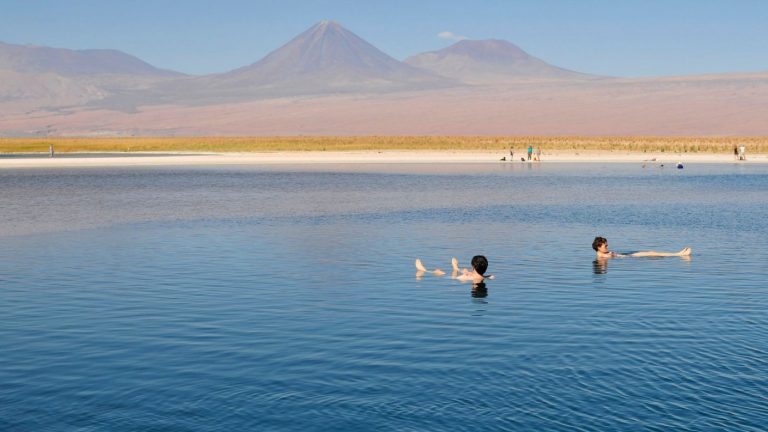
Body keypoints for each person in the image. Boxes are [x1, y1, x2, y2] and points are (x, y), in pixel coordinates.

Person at [415, 256, 494, 283]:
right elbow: (491, 276)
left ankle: (424, 270)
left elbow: (451, 278)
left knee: (441, 273)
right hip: (475, 276)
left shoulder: (464, 277)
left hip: (466, 277)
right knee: (466, 271)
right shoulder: (487, 277)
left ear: (473, 266)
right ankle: (456, 268)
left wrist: (439, 273)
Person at [592, 236, 691, 258]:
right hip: (631, 257)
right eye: (605, 245)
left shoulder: (603, 254)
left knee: (652, 252)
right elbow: (613, 257)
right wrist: (612, 255)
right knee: (653, 254)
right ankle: (678, 254)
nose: (607, 246)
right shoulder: (602, 256)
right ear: (599, 247)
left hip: (629, 255)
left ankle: (678, 254)